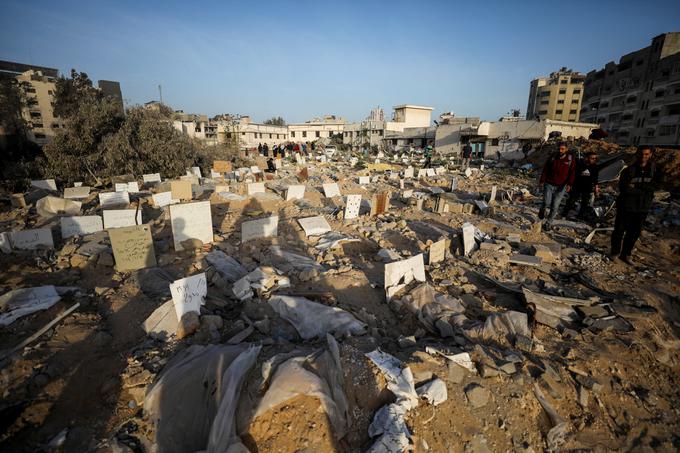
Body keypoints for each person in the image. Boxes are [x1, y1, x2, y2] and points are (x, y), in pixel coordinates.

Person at [610, 146, 663, 265]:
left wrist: (638, 188)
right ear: (637, 154)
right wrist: (645, 190)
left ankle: (626, 254)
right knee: (619, 231)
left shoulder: (654, 171)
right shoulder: (628, 170)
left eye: (646, 154)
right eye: (641, 154)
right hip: (626, 206)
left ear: (650, 155)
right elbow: (625, 189)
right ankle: (614, 253)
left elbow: (657, 186)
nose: (643, 156)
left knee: (634, 232)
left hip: (642, 207)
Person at [538, 143, 576, 230]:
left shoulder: (570, 159)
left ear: (566, 149)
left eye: (562, 149)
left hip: (561, 186)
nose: (560, 151)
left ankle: (548, 223)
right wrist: (542, 181)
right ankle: (542, 210)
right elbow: (545, 169)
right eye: (559, 149)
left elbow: (572, 173)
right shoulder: (553, 157)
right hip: (549, 183)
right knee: (546, 202)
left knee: (555, 206)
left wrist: (570, 184)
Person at [562, 151, 600, 219]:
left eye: (595, 158)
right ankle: (564, 213)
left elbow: (595, 179)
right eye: (592, 158)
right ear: (587, 158)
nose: (594, 160)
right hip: (577, 186)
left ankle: (581, 216)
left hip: (587, 188)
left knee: (585, 203)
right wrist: (569, 184)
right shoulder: (580, 164)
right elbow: (573, 174)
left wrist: (596, 188)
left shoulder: (595, 167)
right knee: (571, 200)